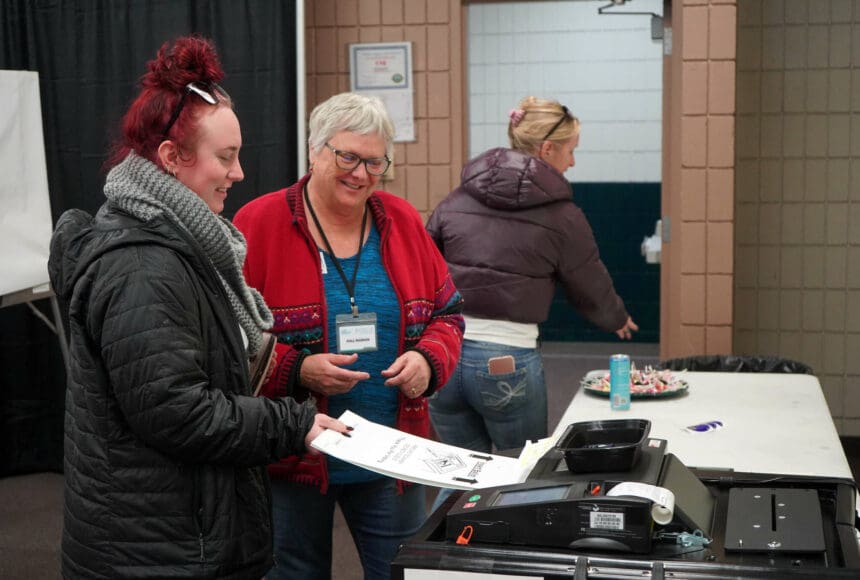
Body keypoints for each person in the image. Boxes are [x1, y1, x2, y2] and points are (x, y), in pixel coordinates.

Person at [47, 36, 349, 580]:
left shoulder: (181, 244)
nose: (239, 174)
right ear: (170, 158)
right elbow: (177, 413)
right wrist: (294, 424)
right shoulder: (143, 266)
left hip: (175, 534)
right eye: (226, 157)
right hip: (156, 550)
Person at [232, 92, 465, 580]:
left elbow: (449, 314)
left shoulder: (400, 221)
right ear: (315, 151)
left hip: (391, 455)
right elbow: (230, 338)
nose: (361, 174)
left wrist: (426, 361)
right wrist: (297, 370)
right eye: (347, 156)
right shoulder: (258, 224)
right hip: (291, 454)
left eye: (375, 161)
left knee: (402, 573)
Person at [426, 96, 638, 505]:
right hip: (505, 362)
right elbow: (588, 281)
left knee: (457, 475)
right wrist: (616, 318)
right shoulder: (562, 216)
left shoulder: (455, 200)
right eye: (572, 150)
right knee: (522, 475)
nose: (573, 162)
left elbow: (422, 267)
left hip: (442, 356)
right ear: (547, 150)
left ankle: (433, 562)